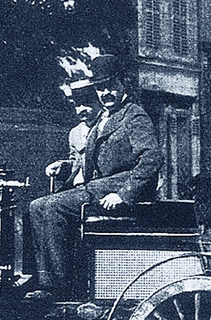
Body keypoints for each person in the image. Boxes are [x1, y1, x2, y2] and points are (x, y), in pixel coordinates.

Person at [27, 55, 163, 300]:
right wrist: (66, 168)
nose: (106, 92)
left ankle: (59, 287)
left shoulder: (134, 116)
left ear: (123, 84)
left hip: (115, 187)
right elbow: (89, 163)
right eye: (100, 87)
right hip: (97, 186)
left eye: (111, 86)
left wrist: (124, 194)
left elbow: (151, 158)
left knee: (55, 207)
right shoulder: (102, 118)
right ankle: (40, 278)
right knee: (36, 206)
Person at [44, 78, 105, 191]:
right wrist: (61, 166)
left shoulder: (106, 126)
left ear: (99, 103)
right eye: (77, 105)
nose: (81, 109)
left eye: (87, 104)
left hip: (100, 187)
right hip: (78, 187)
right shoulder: (75, 133)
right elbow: (77, 163)